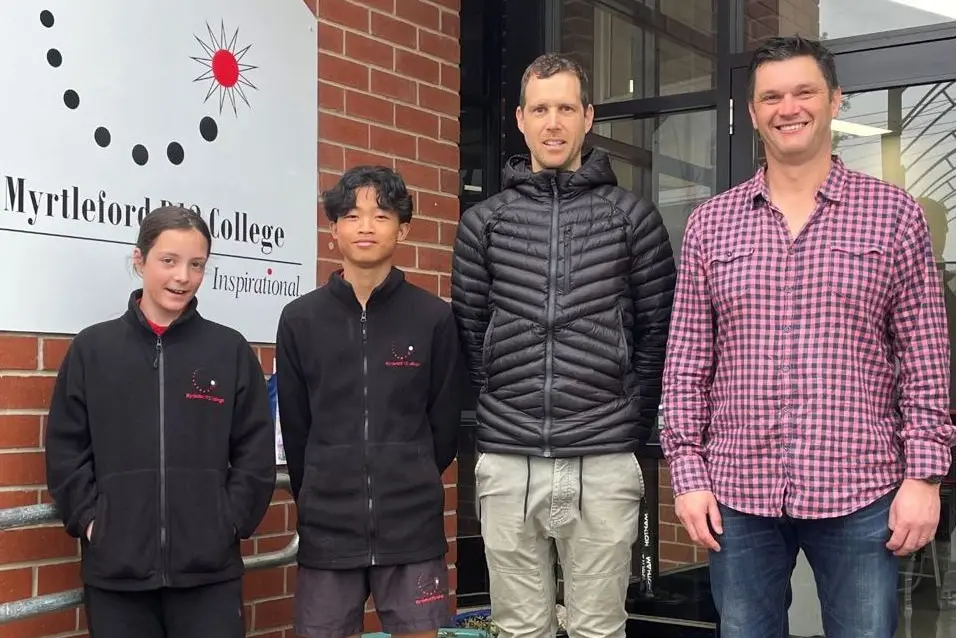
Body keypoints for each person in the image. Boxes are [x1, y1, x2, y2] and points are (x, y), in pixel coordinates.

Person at [660, 35, 954, 637]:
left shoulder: (894, 214)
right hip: (737, 492)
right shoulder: (710, 224)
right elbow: (687, 361)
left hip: (861, 488)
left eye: (804, 92)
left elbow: (925, 358)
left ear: (835, 101)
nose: (787, 107)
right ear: (752, 111)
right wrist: (687, 475)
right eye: (771, 96)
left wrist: (924, 477)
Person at [450, 53, 676, 638]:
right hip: (509, 456)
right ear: (520, 119)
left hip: (602, 454)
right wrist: (500, 407)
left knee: (598, 629)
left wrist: (629, 418)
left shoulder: (634, 218)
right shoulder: (484, 222)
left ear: (588, 117)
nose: (554, 123)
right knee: (519, 629)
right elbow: (471, 330)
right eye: (541, 109)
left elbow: (657, 333)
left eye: (566, 109)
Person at [44, 206, 277, 638]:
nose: (182, 277)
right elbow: (65, 449)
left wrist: (228, 522)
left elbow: (255, 452)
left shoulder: (228, 351)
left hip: (209, 575)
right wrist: (95, 523)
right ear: (140, 260)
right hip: (117, 576)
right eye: (168, 261)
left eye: (196, 265)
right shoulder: (93, 350)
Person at [276, 165, 464, 638]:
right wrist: (321, 485)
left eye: (381, 215)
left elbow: (443, 426)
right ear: (333, 228)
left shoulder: (433, 318)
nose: (365, 226)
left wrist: (410, 471)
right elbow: (296, 426)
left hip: (411, 527)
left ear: (402, 229)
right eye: (352, 215)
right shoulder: (300, 319)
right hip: (328, 526)